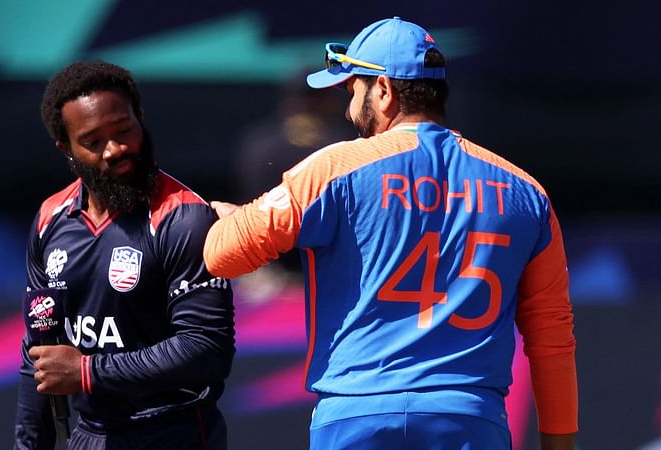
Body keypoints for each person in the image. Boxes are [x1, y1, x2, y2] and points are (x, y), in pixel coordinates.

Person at [204, 17, 577, 450]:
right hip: (468, 420)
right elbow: (552, 331)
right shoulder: (526, 192)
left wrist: (234, 218)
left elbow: (221, 256)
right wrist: (560, 442)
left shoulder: (334, 168)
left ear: (383, 90)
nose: (347, 110)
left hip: (356, 415)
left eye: (351, 90)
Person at [14, 60, 235, 450]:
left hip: (174, 432)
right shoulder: (51, 219)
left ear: (140, 117)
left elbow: (207, 349)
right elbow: (40, 355)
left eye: (123, 130)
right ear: (66, 148)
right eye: (94, 141)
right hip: (89, 434)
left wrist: (85, 371)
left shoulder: (183, 218)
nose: (116, 149)